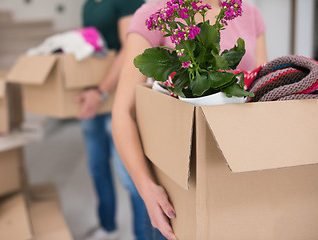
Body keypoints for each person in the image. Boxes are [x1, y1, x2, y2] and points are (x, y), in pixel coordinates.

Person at [111, 0, 268, 239]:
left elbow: (261, 87)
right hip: (174, 185)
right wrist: (147, 189)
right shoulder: (155, 13)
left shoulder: (250, 13)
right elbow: (122, 113)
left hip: (236, 173)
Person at [75, 0, 145, 239]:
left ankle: (142, 235)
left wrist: (101, 91)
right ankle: (107, 228)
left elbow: (130, 47)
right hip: (92, 96)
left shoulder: (126, 1)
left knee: (130, 175)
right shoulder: (87, 6)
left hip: (116, 96)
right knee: (97, 168)